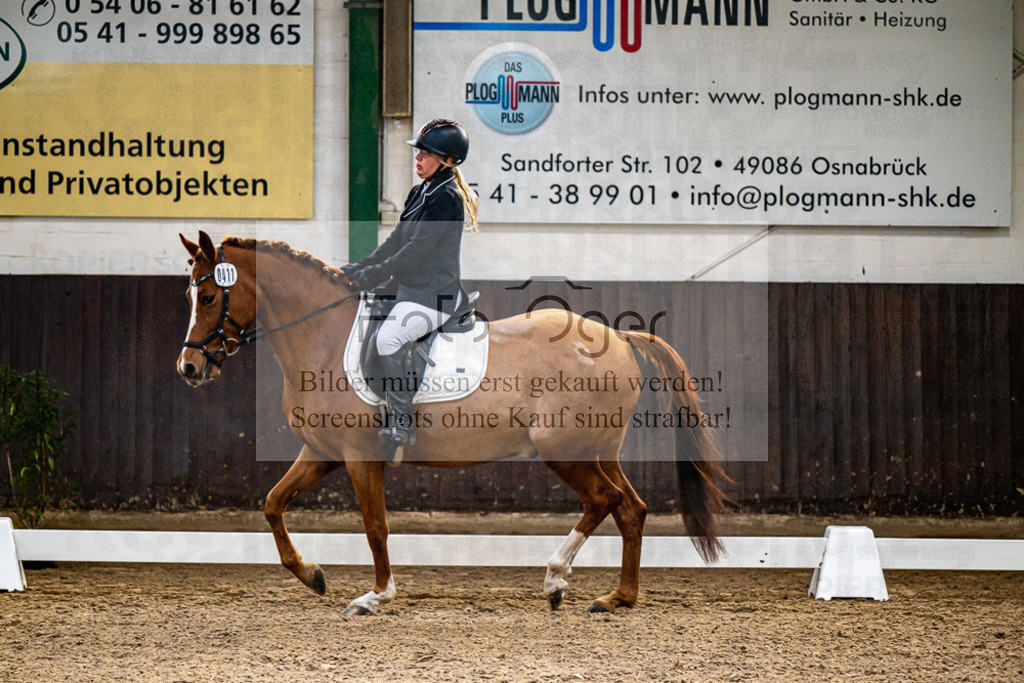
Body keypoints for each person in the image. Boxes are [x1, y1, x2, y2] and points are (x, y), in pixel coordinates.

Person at [344, 119, 479, 463]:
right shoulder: (421, 192)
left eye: (426, 152)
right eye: (418, 150)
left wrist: (374, 274)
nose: (417, 157)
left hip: (435, 295)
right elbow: (397, 240)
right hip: (411, 290)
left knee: (387, 339)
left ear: (448, 160)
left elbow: (416, 251)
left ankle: (402, 423)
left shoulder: (447, 198)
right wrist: (361, 267)